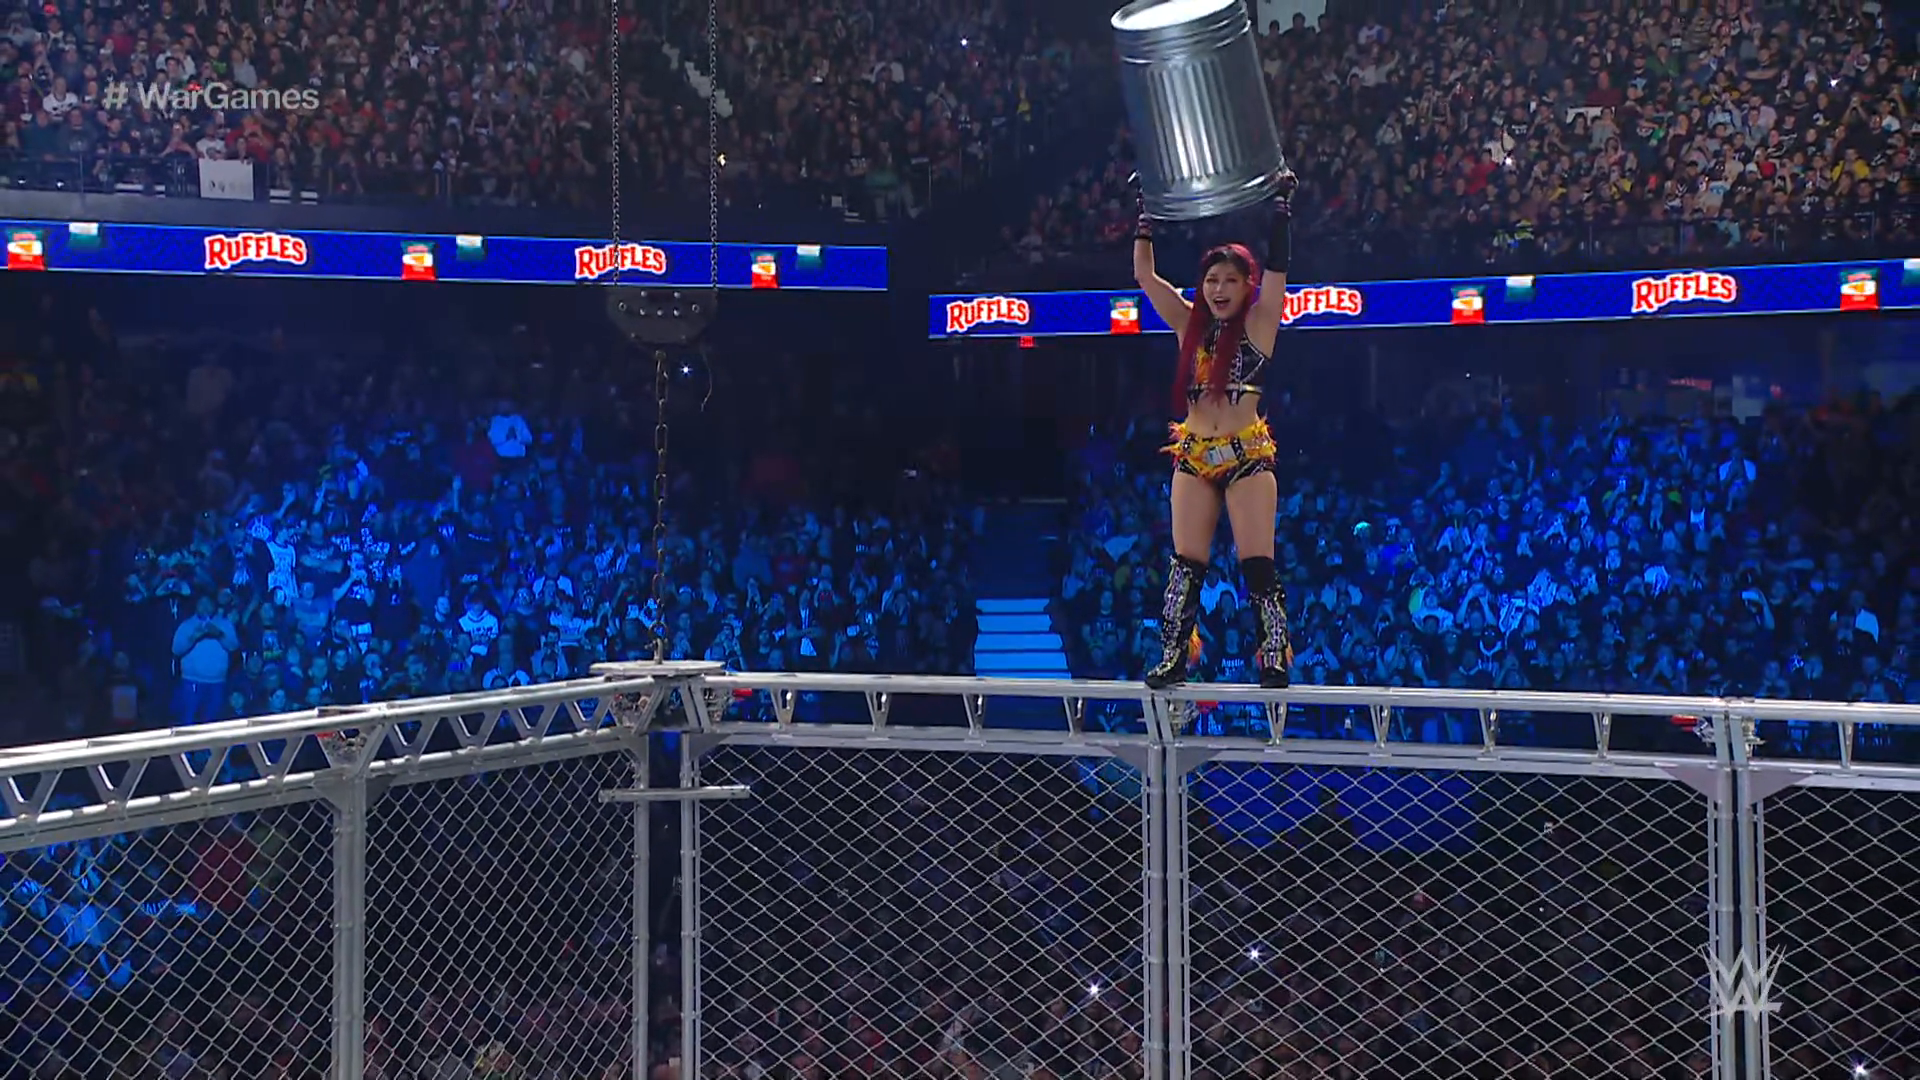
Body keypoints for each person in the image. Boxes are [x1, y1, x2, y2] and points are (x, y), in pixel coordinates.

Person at [1132, 172, 1297, 689]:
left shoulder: (1260, 323)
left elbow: (1278, 268)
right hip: (1194, 454)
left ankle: (1273, 655)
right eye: (1211, 280)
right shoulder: (1189, 325)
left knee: (1257, 564)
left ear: (1247, 285)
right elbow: (1144, 275)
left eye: (1229, 280)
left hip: (1247, 455)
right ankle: (1174, 656)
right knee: (1185, 564)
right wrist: (1145, 214)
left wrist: (1280, 209)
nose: (1218, 289)